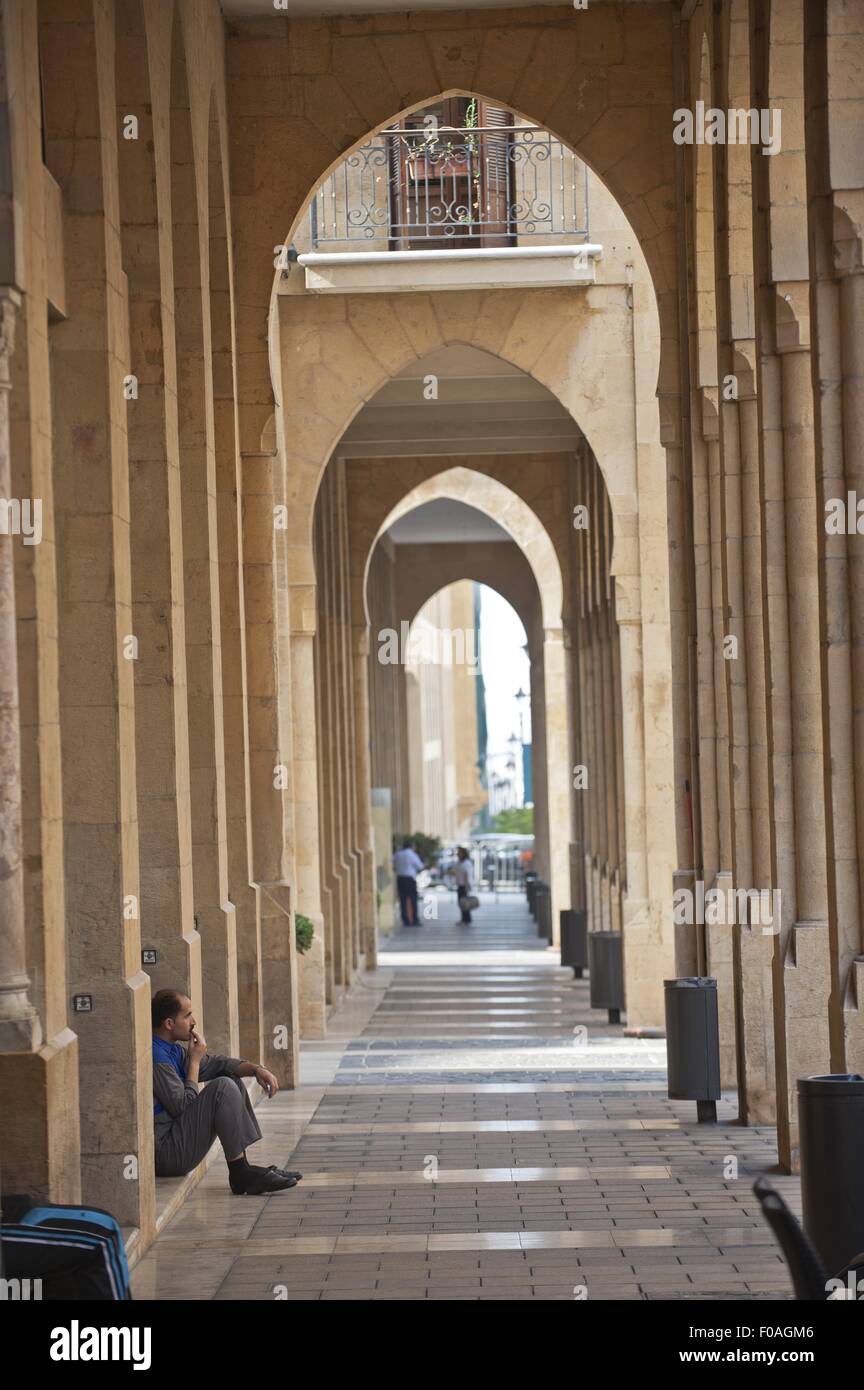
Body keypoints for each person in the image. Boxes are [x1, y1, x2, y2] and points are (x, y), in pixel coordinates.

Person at [151, 989, 303, 1195]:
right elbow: (182, 1107)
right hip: (168, 1153)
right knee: (222, 1087)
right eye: (187, 1016)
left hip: (177, 1141)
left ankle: (243, 1168)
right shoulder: (158, 1057)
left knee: (231, 1079)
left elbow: (218, 1064)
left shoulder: (174, 1050)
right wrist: (194, 1062)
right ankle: (241, 1174)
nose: (194, 1021)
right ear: (169, 1024)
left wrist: (257, 1069)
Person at [392, 837, 424, 926]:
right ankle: (414, 920)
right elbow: (420, 866)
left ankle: (405, 920)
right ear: (412, 846)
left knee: (402, 900)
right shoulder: (412, 854)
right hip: (409, 879)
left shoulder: (397, 854)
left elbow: (393, 865)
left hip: (400, 879)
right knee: (413, 899)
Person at [454, 845, 475, 925]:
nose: (458, 854)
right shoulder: (459, 863)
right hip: (460, 885)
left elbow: (466, 875)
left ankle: (466, 919)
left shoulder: (466, 863)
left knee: (464, 903)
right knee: (462, 903)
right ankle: (464, 919)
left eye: (459, 852)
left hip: (464, 886)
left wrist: (466, 888)